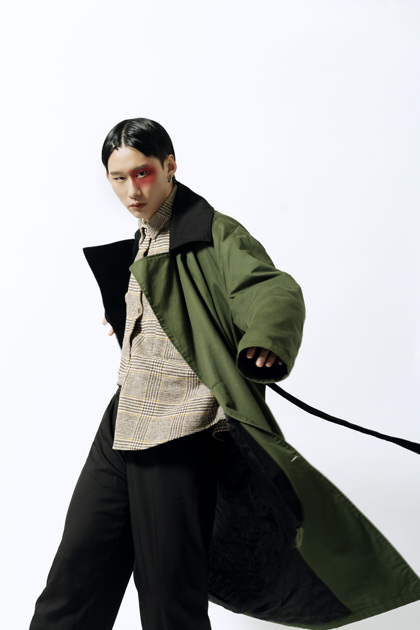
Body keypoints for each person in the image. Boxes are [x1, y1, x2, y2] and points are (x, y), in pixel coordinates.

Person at [29, 118, 420, 630]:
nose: (132, 190)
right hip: (124, 418)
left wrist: (265, 338)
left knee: (168, 592)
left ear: (170, 166)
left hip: (179, 423)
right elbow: (177, 308)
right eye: (118, 178)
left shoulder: (212, 232)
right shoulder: (143, 237)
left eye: (143, 173)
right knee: (77, 573)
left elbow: (272, 289)